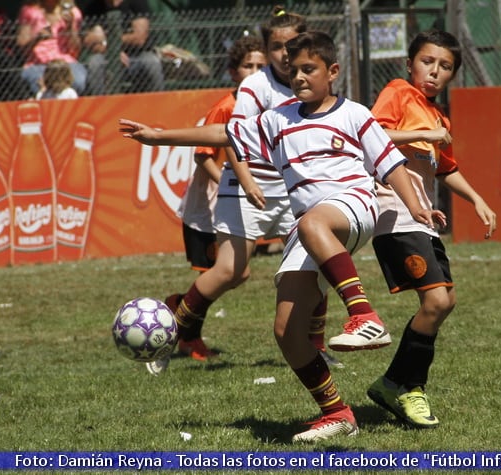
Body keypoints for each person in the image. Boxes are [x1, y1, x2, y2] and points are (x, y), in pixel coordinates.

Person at [120, 30, 435, 442]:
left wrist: (414, 205)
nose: (300, 76)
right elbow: (224, 135)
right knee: (287, 330)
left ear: (332, 72)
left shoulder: (354, 114)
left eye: (310, 69)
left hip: (353, 206)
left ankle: (365, 316)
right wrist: (160, 137)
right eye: (294, 69)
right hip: (311, 226)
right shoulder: (278, 119)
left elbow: (390, 163)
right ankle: (338, 414)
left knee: (310, 223)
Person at [130, 7, 341, 374]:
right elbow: (232, 136)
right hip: (247, 186)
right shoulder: (255, 86)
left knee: (315, 265)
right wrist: (246, 180)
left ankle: (317, 347)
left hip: (292, 190)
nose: (283, 54)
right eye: (275, 46)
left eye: (290, 45)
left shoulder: (314, 80)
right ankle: (170, 336)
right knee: (229, 270)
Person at [365, 29, 497, 429]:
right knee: (436, 302)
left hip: (421, 219)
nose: (435, 72)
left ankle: (393, 383)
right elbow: (370, 135)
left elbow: (445, 167)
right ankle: (410, 388)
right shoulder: (398, 91)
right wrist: (423, 134)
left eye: (445, 67)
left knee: (445, 302)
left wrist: (477, 199)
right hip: (393, 213)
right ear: (410, 64)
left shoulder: (439, 116)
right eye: (428, 62)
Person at [178, 34, 266, 274]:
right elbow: (202, 155)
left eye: (261, 67)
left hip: (237, 197)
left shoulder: (266, 107)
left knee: (238, 270)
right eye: (248, 66)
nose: (255, 72)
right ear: (233, 72)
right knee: (215, 271)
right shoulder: (225, 108)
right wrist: (226, 183)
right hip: (209, 202)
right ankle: (181, 307)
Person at [81, 0, 164, 94]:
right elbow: (89, 41)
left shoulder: (137, 3)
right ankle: (98, 104)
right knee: (95, 62)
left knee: (151, 62)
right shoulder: (93, 7)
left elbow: (139, 38)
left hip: (137, 56)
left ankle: (157, 104)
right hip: (106, 55)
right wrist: (112, 52)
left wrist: (105, 39)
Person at [16, 0, 87, 96]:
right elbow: (21, 46)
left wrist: (70, 28)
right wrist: (37, 38)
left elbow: (75, 50)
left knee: (78, 81)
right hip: (38, 64)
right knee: (41, 86)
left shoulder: (72, 12)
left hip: (66, 63)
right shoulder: (30, 11)